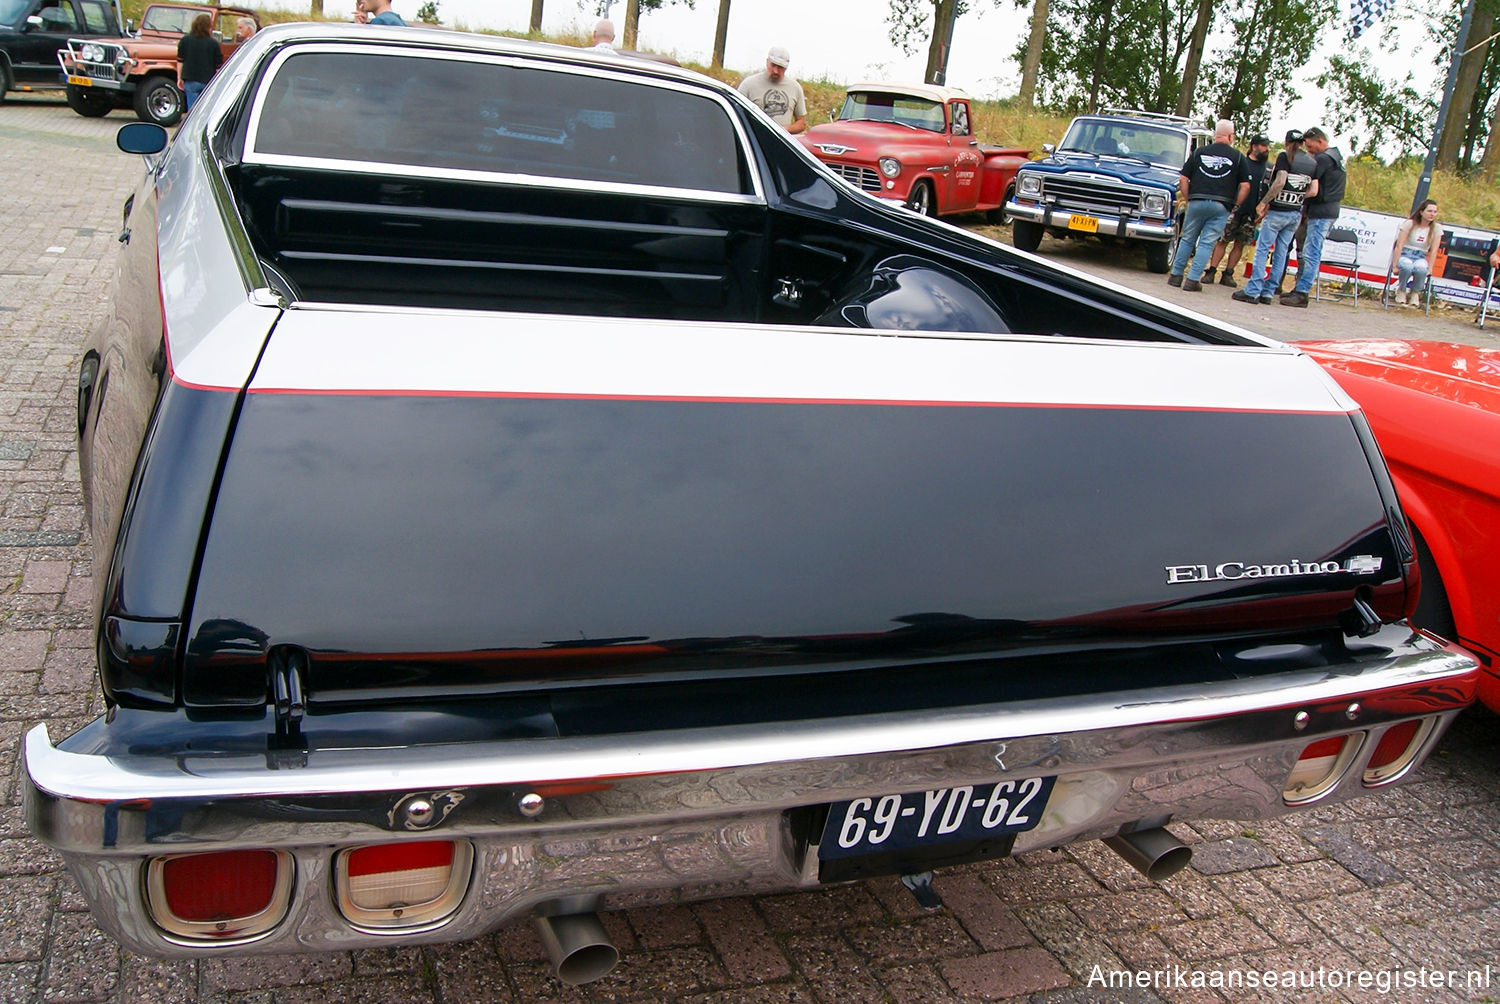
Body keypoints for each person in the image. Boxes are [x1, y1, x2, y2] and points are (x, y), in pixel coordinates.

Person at [1231, 129, 1318, 306]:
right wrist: (1299, 196)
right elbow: (1314, 191)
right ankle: (1269, 292)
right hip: (1294, 212)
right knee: (1281, 253)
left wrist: (1264, 202)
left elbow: (1279, 182)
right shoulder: (1311, 162)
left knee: (1263, 250)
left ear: (1287, 142)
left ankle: (1253, 290)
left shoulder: (1285, 157)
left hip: (1278, 210)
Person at [1167, 119, 1251, 292]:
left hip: (1197, 200)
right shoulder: (1238, 157)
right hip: (1221, 205)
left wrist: (1189, 198)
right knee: (1206, 242)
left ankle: (1176, 275)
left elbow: (1183, 178)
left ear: (1215, 134)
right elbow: (1245, 186)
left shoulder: (1199, 152)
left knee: (1188, 238)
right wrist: (1235, 204)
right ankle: (1192, 280)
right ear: (1230, 136)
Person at [1282, 126, 1345, 307]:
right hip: (1328, 210)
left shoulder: (1324, 159)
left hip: (1321, 212)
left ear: (1320, 141)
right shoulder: (1337, 157)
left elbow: (1311, 184)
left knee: (1311, 253)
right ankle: (1300, 289)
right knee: (1311, 251)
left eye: (1310, 147)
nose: (1309, 152)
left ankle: (1302, 292)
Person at [1204, 134, 1271, 288]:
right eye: (1263, 145)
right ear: (1254, 147)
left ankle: (1228, 274)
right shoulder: (1240, 162)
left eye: (1267, 146)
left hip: (1251, 213)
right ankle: (1211, 271)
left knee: (1240, 244)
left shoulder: (1268, 168)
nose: (1266, 149)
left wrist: (1264, 210)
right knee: (1222, 240)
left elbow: (1269, 191)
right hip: (1234, 208)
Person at [737, 46, 807, 135]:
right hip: (754, 142)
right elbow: (737, 115)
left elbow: (801, 123)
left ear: (786, 67)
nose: (775, 71)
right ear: (767, 62)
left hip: (781, 142)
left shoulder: (795, 87)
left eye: (780, 67)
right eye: (773, 65)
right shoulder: (748, 85)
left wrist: (783, 130)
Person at [1387, 199, 1440, 306]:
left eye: (1435, 212)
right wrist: (1395, 265)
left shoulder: (1436, 228)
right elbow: (1399, 245)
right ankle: (1401, 290)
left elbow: (1434, 250)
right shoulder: (1410, 224)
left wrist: (1430, 268)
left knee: (1421, 269)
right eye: (1429, 211)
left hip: (1420, 255)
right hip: (1405, 253)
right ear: (1421, 212)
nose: (1432, 214)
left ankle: (1415, 292)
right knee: (1407, 267)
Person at [175, 13, 222, 114]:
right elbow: (218, 65)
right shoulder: (213, 43)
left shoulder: (185, 40)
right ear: (208, 26)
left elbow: (180, 61)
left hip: (190, 80)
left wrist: (179, 77)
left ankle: (192, 129)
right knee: (205, 111)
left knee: (192, 111)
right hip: (208, 81)